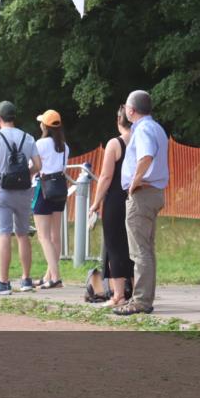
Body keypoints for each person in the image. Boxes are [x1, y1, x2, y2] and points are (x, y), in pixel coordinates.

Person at [114, 90, 169, 316]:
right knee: (146, 249)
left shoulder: (144, 129)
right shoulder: (156, 127)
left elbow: (145, 157)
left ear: (131, 110)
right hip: (154, 192)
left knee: (140, 251)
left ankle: (140, 300)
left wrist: (134, 182)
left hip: (143, 193)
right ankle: (144, 298)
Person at [0, 101, 42, 294]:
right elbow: (38, 165)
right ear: (13, 118)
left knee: (4, 233)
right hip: (24, 191)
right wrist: (27, 175)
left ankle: (4, 282)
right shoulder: (28, 137)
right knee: (23, 234)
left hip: (2, 191)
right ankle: (26, 280)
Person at [88, 105, 134, 307]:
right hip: (134, 199)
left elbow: (106, 177)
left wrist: (96, 203)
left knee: (114, 247)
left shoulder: (115, 144)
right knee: (134, 248)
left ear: (118, 121)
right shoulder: (140, 141)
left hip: (115, 200)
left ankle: (118, 295)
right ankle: (135, 292)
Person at [33, 109, 70, 290]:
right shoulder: (65, 146)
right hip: (60, 190)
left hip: (44, 189)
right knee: (56, 236)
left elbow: (34, 166)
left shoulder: (40, 144)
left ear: (44, 126)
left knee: (43, 235)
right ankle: (49, 275)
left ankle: (55, 277)